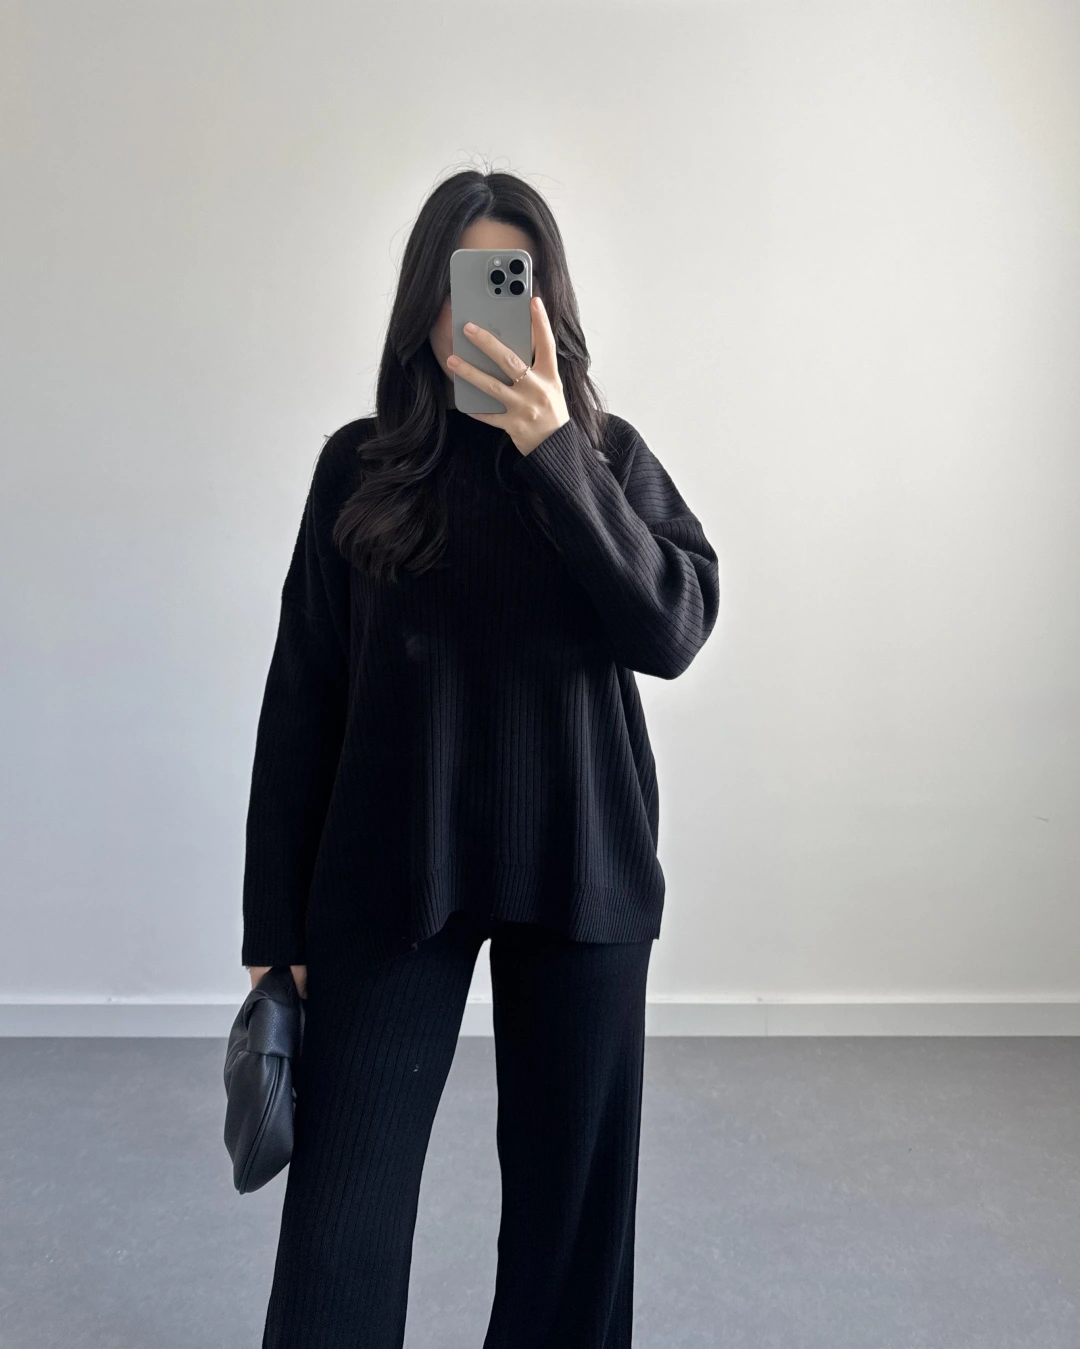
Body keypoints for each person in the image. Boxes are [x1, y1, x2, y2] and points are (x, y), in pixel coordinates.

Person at [241, 167, 720, 1348]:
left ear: (549, 306)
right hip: (390, 870)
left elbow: (672, 627)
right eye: (469, 286)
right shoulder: (357, 467)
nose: (489, 313)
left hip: (581, 863)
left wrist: (556, 453)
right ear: (426, 308)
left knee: (572, 1224)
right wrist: (274, 926)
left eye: (514, 283)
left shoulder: (606, 458)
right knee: (341, 1219)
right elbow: (301, 695)